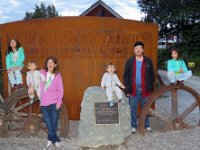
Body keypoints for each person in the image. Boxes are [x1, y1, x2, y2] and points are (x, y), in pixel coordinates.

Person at [123, 41, 155, 133]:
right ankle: (133, 126)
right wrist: (127, 90)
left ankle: (147, 125)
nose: (137, 50)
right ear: (134, 50)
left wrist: (150, 86)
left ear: (143, 50)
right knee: (133, 109)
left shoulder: (148, 61)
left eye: (139, 48)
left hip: (145, 90)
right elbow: (126, 76)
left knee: (146, 108)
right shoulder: (129, 61)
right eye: (136, 48)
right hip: (133, 90)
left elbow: (152, 75)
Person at [40, 57, 64, 149]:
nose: (49, 64)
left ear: (55, 65)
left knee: (54, 122)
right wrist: (30, 86)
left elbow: (61, 90)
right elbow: (31, 75)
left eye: (51, 62)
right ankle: (55, 140)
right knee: (48, 123)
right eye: (48, 62)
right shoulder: (42, 73)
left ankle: (50, 141)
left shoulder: (58, 75)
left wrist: (59, 102)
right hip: (44, 104)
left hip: (54, 102)